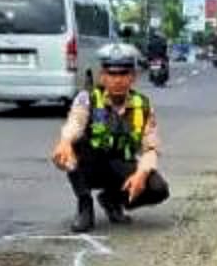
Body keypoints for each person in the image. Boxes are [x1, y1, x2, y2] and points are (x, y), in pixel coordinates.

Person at [51, 43, 170, 232]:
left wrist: (141, 174)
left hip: (120, 165)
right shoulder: (88, 98)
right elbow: (75, 122)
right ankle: (84, 204)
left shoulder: (143, 105)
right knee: (72, 146)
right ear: (102, 76)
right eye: (112, 74)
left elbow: (151, 149)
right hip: (91, 163)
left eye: (123, 73)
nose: (117, 80)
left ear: (133, 77)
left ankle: (111, 200)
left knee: (158, 189)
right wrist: (65, 141)